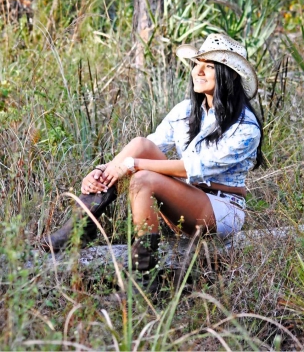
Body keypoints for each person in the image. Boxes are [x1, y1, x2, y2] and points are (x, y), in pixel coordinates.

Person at [42, 33, 264, 272]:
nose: (198, 71)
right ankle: (82, 223)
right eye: (196, 64)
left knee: (142, 177)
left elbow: (192, 167)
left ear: (228, 75)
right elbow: (149, 147)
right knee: (141, 144)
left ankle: (143, 275)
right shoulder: (186, 110)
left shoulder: (245, 127)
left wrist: (133, 165)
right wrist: (103, 170)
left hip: (220, 210)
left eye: (208, 66)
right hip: (183, 199)